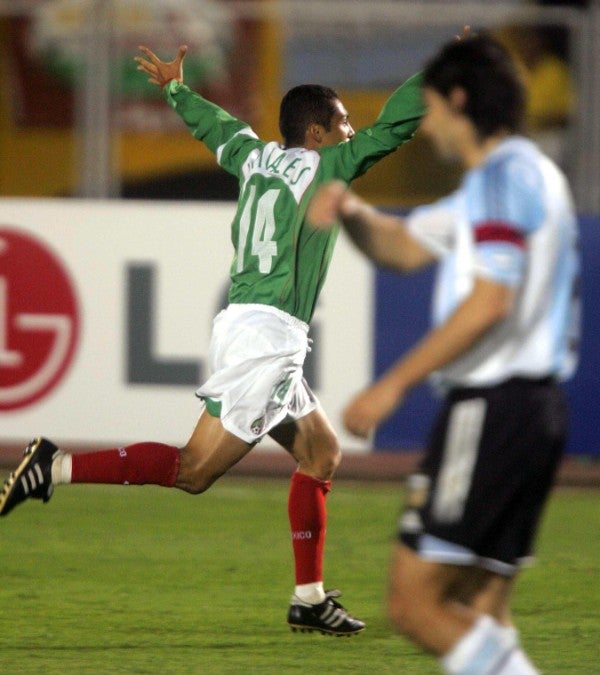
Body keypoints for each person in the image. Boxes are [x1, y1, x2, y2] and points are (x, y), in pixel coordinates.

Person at [0, 44, 424, 636]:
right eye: (342, 123)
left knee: (320, 453)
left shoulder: (253, 158)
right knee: (194, 470)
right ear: (317, 131)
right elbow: (396, 126)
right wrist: (443, 76)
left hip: (251, 326)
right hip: (268, 338)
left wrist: (176, 90)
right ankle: (54, 466)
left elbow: (217, 128)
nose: (350, 130)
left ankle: (308, 598)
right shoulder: (327, 166)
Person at [307, 34, 579, 672]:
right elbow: (403, 247)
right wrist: (349, 210)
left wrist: (392, 384)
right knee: (483, 610)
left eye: (430, 105)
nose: (425, 122)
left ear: (459, 100)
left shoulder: (504, 175)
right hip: (531, 412)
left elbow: (490, 301)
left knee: (414, 606)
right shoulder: (514, 176)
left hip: (493, 408)